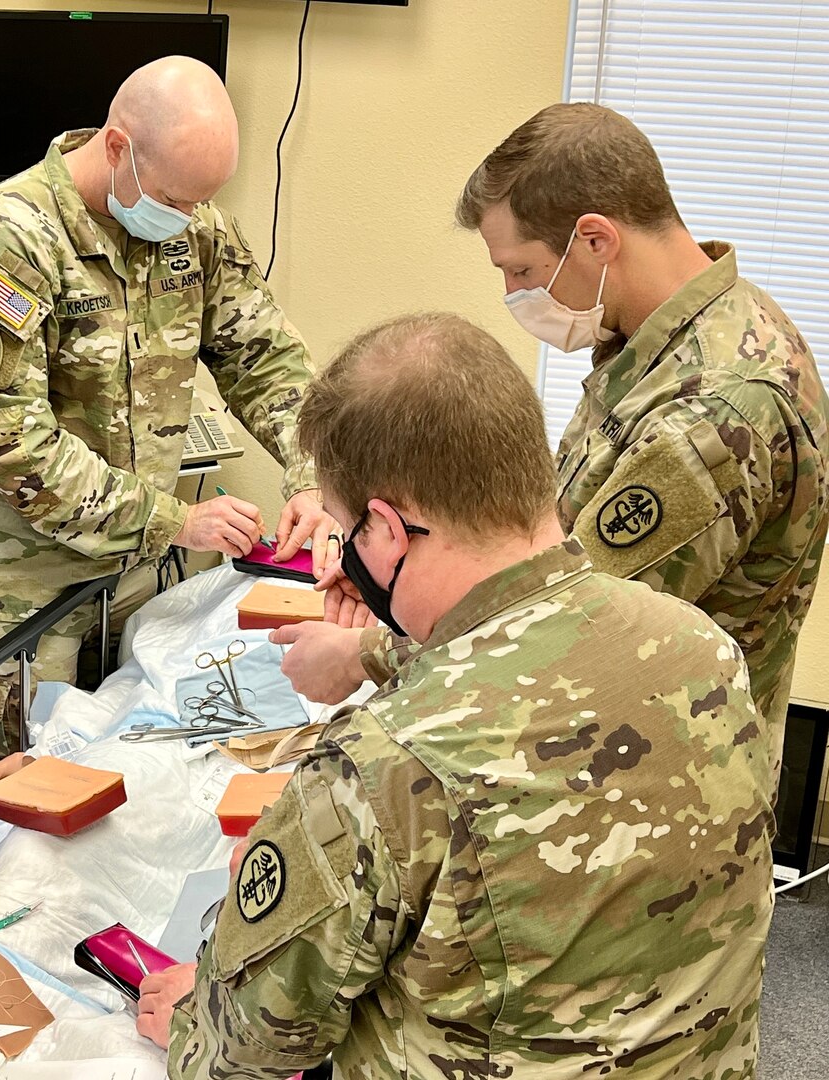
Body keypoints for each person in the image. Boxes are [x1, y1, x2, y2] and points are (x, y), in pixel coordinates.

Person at [138, 313, 774, 1078]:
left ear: (387, 529)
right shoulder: (704, 648)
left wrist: (196, 1014)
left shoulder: (379, 769)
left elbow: (243, 1058)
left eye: (343, 532)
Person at [283, 103, 829, 787]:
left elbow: (564, 618)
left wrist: (364, 652)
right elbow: (556, 534)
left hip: (648, 779)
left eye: (520, 269)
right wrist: (394, 574)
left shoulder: (716, 412)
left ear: (596, 240)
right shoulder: (672, 335)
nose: (513, 293)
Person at [0, 56, 337, 824]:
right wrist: (174, 521)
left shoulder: (191, 226)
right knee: (18, 803)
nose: (189, 216)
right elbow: (12, 443)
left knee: (125, 771)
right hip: (13, 582)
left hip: (125, 574)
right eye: (178, 197)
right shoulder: (8, 240)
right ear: (116, 147)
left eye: (205, 200)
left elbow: (265, 355)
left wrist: (312, 477)